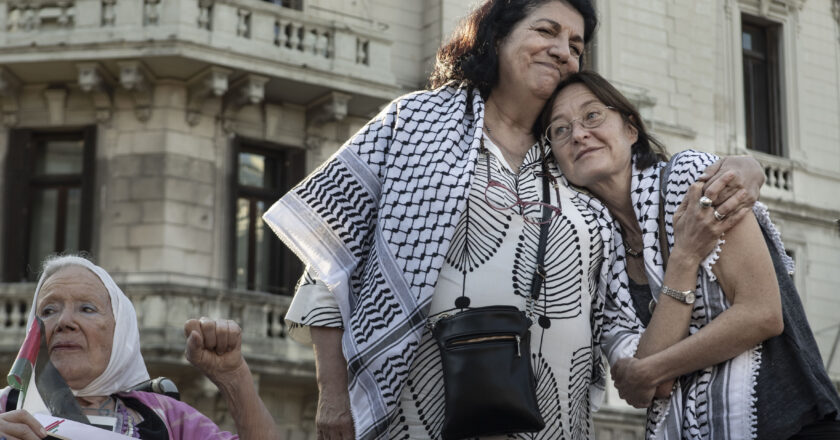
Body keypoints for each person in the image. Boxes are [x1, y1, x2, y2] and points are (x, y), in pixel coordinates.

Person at [263, 1, 766, 438]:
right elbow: (329, 255)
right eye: (546, 31)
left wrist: (747, 165)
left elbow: (639, 202)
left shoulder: (572, 159)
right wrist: (332, 393)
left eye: (575, 44)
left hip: (555, 417)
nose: (564, 51)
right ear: (497, 36)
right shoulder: (413, 120)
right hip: (419, 409)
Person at [541, 70, 840, 439]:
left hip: (793, 424)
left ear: (631, 129)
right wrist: (684, 258)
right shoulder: (598, 260)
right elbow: (652, 390)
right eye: (560, 130)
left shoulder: (691, 177)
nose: (579, 134)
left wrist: (650, 368)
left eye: (592, 116)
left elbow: (762, 314)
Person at [0, 255, 279, 440]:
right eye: (48, 311)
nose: (64, 322)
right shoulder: (4, 408)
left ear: (120, 331)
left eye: (87, 308)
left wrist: (234, 378)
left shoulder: (168, 418)